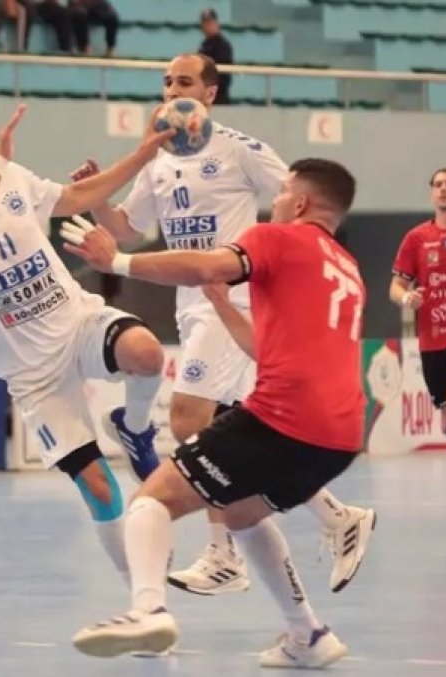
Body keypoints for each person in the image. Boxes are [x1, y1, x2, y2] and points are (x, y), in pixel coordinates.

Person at [70, 52, 375, 597]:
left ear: (209, 94)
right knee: (243, 428)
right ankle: (336, 518)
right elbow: (128, 226)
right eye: (165, 82)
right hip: (195, 302)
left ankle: (222, 555)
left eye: (184, 82)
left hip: (232, 295)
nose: (171, 90)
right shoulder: (159, 161)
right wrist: (100, 202)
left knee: (189, 421)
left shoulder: (240, 149)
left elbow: (302, 203)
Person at [65, 158, 363, 668]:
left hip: (283, 416)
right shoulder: (346, 267)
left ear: (302, 202)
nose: (277, 199)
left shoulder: (276, 237)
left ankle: (147, 610)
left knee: (151, 501)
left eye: (284, 190)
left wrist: (117, 262)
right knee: (243, 513)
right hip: (339, 436)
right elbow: (266, 351)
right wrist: (222, 304)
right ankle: (308, 635)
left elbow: (206, 263)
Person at [0, 105, 174, 591]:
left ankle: (134, 428)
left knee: (147, 353)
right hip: (32, 374)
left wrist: (143, 154)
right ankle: (144, 597)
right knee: (99, 489)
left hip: (78, 322)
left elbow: (77, 196)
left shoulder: (11, 180)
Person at [390, 167, 446, 466]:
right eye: (438, 185)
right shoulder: (417, 238)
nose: (443, 189)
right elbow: (396, 286)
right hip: (432, 344)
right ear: (432, 192)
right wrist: (407, 297)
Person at [198, 8, 233, 104]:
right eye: (205, 23)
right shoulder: (204, 45)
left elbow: (224, 76)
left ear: (216, 23)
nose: (207, 26)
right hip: (204, 96)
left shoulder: (223, 45)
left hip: (219, 97)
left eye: (210, 22)